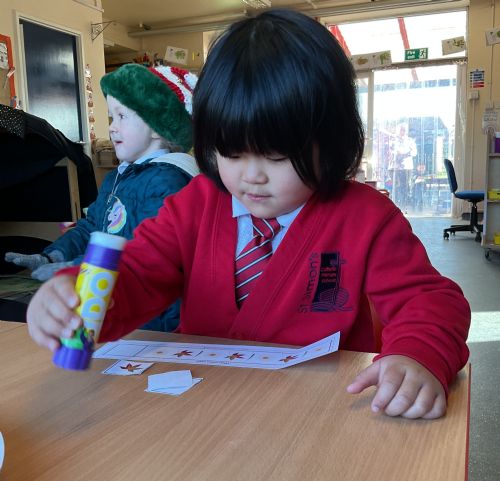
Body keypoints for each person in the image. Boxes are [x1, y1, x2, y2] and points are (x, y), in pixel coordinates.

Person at [26, 9, 469, 419]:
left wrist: (417, 354)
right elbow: (139, 274)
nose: (251, 176)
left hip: (319, 416)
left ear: (331, 143)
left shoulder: (367, 218)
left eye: (277, 156)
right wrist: (77, 299)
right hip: (201, 411)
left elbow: (429, 301)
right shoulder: (194, 204)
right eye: (232, 152)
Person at [7, 63, 199, 331]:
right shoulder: (116, 178)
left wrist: (76, 269)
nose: (112, 128)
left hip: (158, 323)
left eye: (121, 117)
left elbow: (145, 253)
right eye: (111, 118)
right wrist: (54, 255)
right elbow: (92, 227)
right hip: (114, 304)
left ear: (157, 127)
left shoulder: (168, 181)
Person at [390, 122, 417, 209]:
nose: (402, 131)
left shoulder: (410, 141)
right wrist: (398, 154)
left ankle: (404, 204)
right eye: (401, 130)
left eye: (404, 130)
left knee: (405, 186)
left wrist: (406, 154)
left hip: (407, 167)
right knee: (396, 186)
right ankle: (396, 204)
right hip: (396, 167)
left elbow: (414, 152)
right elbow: (391, 151)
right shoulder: (394, 140)